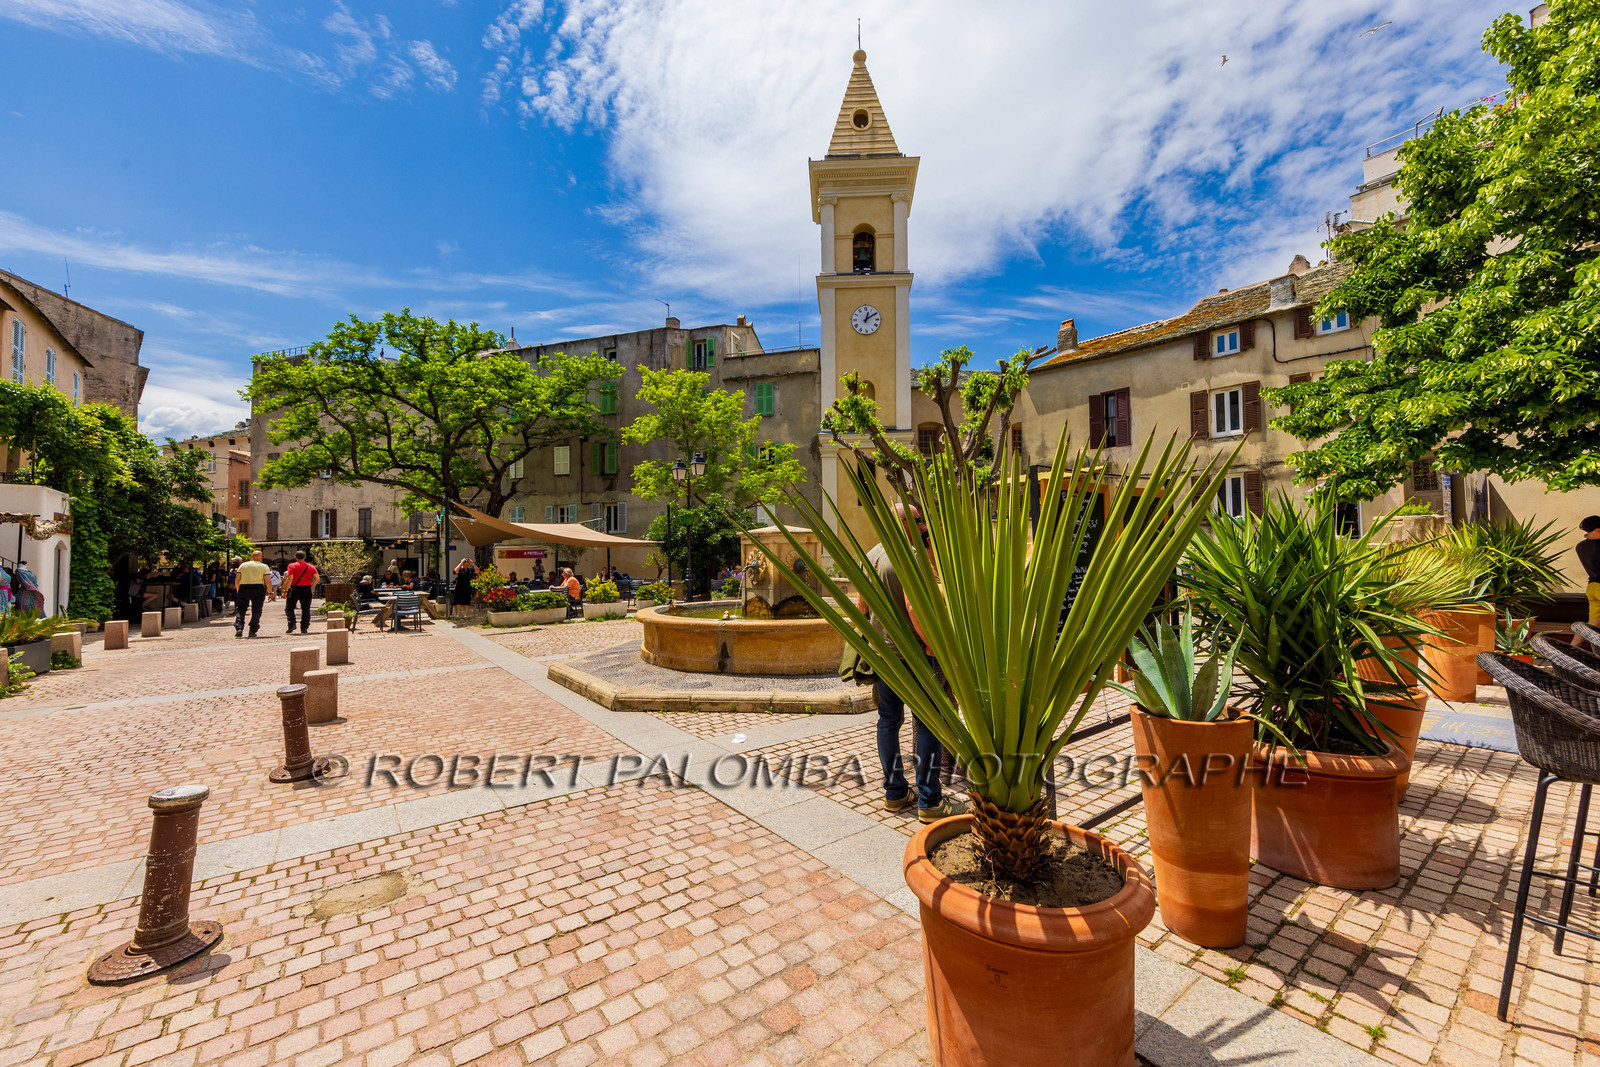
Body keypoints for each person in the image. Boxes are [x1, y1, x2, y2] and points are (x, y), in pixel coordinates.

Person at [856, 505, 964, 823]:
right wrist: (931, 645)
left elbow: (861, 607)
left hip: (884, 656)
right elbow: (914, 607)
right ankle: (930, 800)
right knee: (929, 721)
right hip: (913, 655)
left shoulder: (873, 554)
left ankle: (895, 793)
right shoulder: (910, 556)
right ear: (904, 522)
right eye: (918, 520)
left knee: (888, 722)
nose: (922, 526)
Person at [234, 550, 270, 638]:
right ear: (261, 557)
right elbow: (267, 580)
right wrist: (271, 592)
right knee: (256, 610)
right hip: (258, 588)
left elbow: (237, 579)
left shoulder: (243, 565)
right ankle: (252, 630)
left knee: (241, 609)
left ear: (251, 556)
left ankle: (239, 627)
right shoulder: (264, 566)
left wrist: (238, 590)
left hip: (244, 587)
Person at [1577, 516, 1600, 651]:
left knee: (1592, 624)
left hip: (1592, 588)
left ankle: (1570, 651)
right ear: (1597, 530)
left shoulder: (1580, 547)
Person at [283, 551, 319, 635]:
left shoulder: (291, 566)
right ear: (305, 557)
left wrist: (285, 590)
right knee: (306, 609)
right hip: (306, 588)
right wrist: (311, 586)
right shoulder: (311, 566)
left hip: (295, 588)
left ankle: (292, 623)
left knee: (289, 607)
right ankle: (304, 627)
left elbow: (290, 579)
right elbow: (317, 578)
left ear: (295, 557)